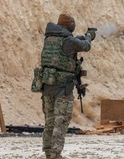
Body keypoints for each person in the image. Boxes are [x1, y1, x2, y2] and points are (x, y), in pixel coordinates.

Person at [40, 13, 96, 159]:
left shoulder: (49, 38)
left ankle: (48, 152)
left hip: (47, 84)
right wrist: (89, 36)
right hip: (62, 87)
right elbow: (85, 46)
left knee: (50, 120)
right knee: (61, 120)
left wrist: (79, 38)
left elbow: (67, 45)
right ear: (69, 25)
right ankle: (56, 154)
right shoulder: (68, 40)